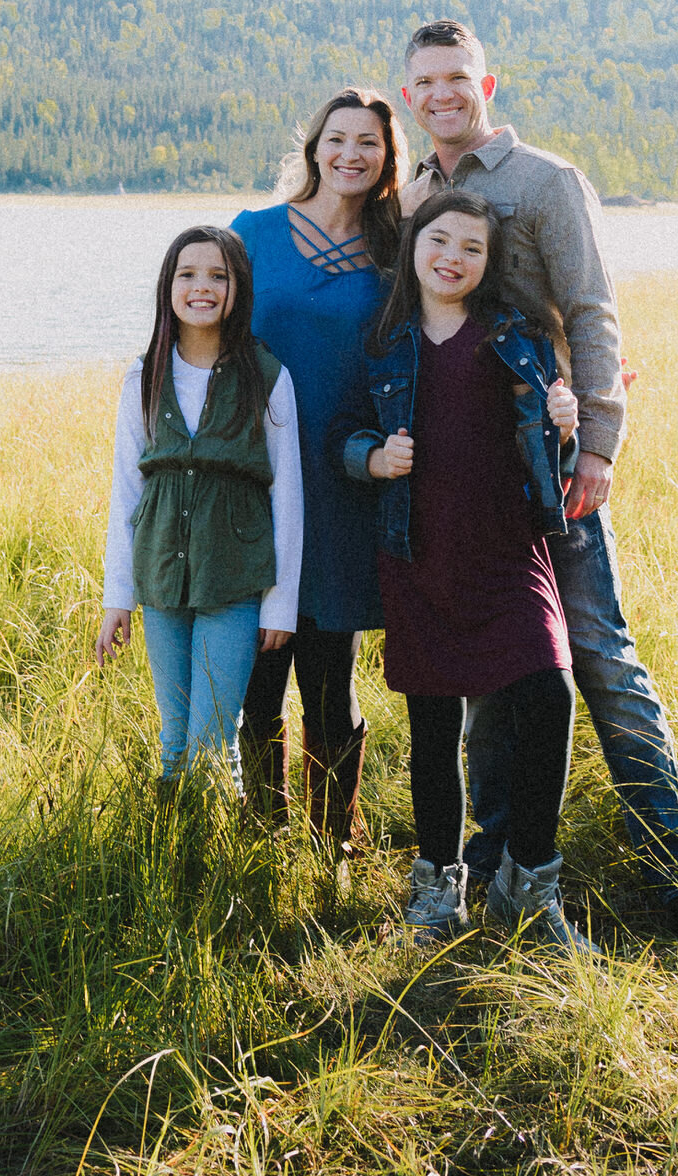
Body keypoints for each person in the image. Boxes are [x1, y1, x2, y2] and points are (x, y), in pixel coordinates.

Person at [399, 19, 678, 936]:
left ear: (486, 88)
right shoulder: (415, 191)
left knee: (598, 659)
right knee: (495, 678)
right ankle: (500, 876)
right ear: (410, 97)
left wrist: (602, 443)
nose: (444, 94)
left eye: (459, 78)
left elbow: (590, 310)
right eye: (426, 82)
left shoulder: (546, 181)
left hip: (553, 467)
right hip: (463, 485)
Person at [342, 188, 590, 950]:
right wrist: (373, 457)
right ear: (414, 244)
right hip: (420, 552)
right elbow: (343, 434)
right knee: (433, 725)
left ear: (487, 264)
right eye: (440, 241)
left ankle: (530, 884)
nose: (453, 257)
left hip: (509, 550)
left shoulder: (514, 336)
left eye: (472, 248)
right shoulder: (384, 342)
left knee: (549, 694)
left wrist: (565, 428)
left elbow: (554, 458)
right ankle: (436, 889)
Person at [231, 87, 408, 847]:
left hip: (345, 480)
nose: (350, 154)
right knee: (258, 670)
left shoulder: (398, 252)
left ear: (387, 158)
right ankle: (261, 838)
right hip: (255, 480)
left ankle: (331, 846)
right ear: (313, 148)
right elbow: (198, 334)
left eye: (368, 142)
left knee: (331, 676)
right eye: (337, 139)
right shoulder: (252, 235)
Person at [98, 225, 303, 786]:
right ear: (168, 286)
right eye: (187, 274)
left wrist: (280, 604)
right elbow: (126, 493)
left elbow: (287, 494)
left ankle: (214, 862)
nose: (202, 287)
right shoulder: (143, 377)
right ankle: (176, 863)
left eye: (219, 275)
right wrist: (118, 596)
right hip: (162, 582)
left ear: (239, 289)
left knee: (213, 741)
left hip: (233, 583)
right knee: (174, 738)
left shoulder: (267, 378)